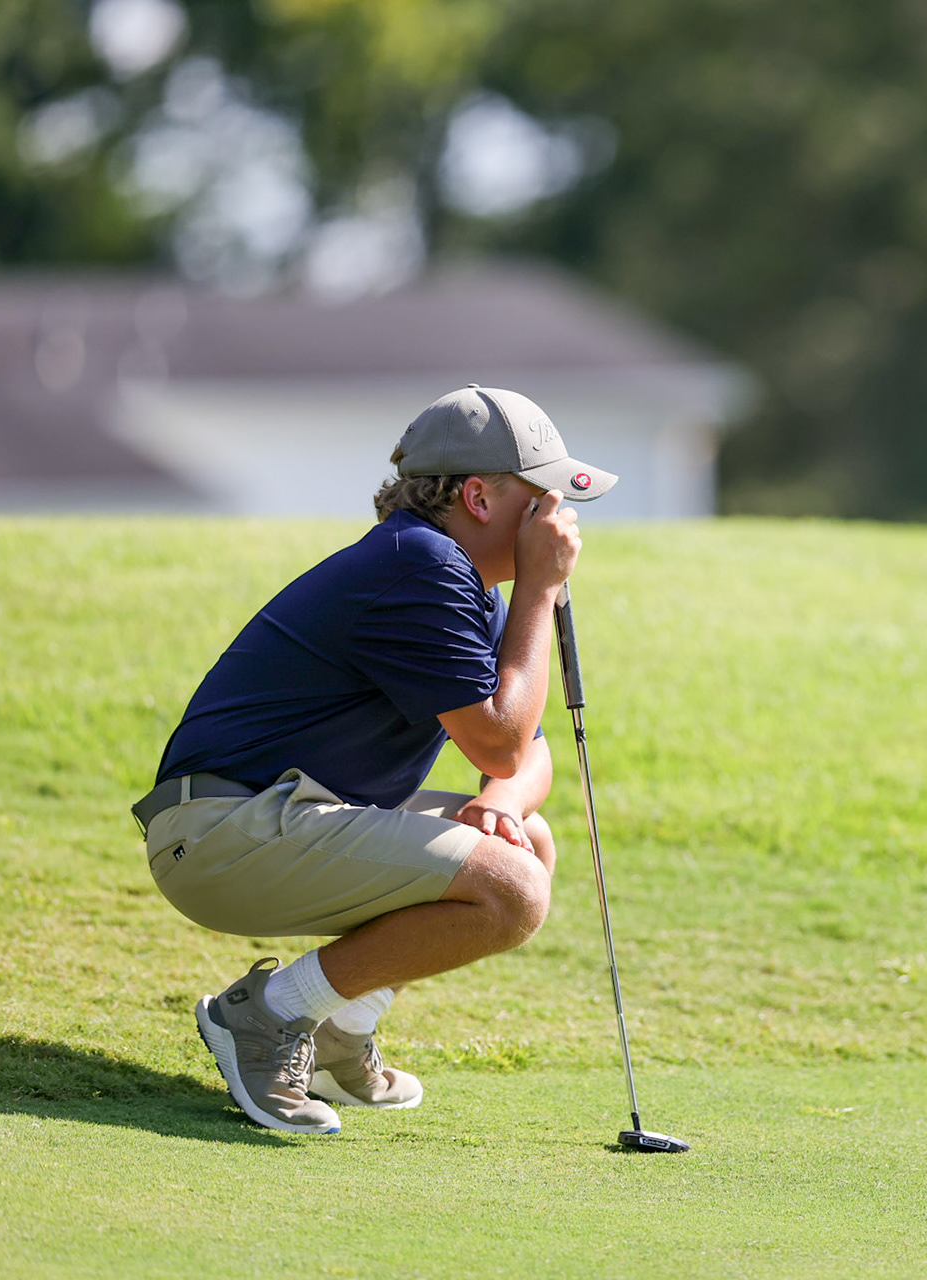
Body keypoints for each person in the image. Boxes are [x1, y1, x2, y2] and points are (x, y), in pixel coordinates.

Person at [132, 384, 615, 1134]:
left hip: (282, 817)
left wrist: (505, 802)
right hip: (220, 830)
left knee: (526, 840)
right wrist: (542, 590)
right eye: (542, 493)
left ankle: (338, 1029)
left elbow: (527, 756)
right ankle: (264, 1017)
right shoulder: (419, 567)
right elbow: (499, 740)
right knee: (511, 889)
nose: (558, 515)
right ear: (481, 497)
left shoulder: (460, 583)